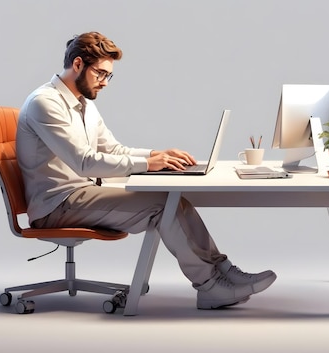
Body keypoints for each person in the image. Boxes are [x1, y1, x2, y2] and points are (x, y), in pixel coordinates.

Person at [16, 31, 276, 310]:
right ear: (77, 64)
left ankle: (222, 271)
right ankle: (210, 286)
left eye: (108, 76)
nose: (105, 82)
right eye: (100, 74)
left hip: (80, 194)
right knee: (162, 205)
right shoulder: (46, 103)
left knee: (172, 198)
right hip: (57, 205)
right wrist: (148, 165)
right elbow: (85, 162)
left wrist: (156, 155)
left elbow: (112, 150)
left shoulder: (85, 105)